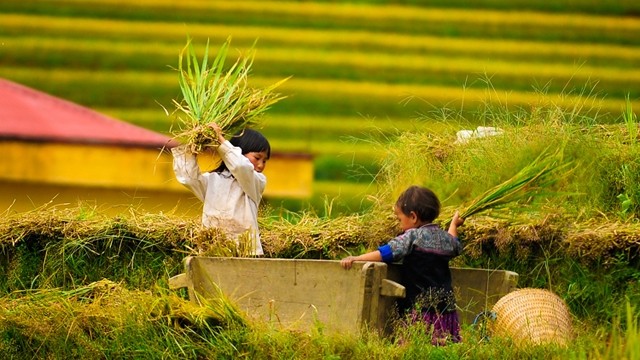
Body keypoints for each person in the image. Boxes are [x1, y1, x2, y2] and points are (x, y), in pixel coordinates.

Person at [341, 185, 465, 345]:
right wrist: (453, 225)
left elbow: (386, 253)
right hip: (446, 309)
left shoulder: (412, 236)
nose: (399, 225)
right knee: (442, 347)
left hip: (420, 310)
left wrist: (357, 258)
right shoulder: (446, 239)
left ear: (413, 217)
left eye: (400, 219)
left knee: (413, 347)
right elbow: (455, 243)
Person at [172, 123, 270, 256]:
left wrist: (219, 139)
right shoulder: (213, 180)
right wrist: (191, 149)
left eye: (265, 161)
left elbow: (240, 166)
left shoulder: (256, 181)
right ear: (239, 151)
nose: (261, 165)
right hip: (213, 249)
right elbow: (188, 178)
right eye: (257, 158)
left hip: (245, 251)